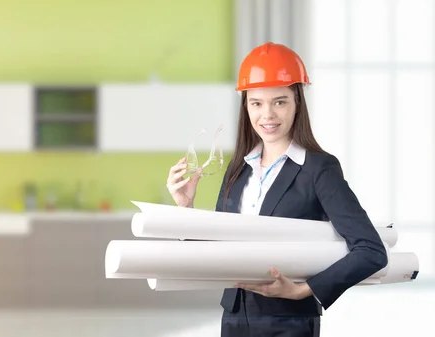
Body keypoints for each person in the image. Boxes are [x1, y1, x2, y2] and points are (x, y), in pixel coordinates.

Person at [165, 42, 388, 337]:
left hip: (289, 321)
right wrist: (186, 208)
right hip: (234, 316)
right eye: (256, 103)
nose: (267, 114)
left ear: (297, 103)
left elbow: (371, 251)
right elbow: (215, 249)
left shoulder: (319, 169)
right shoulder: (237, 168)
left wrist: (303, 290)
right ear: (246, 106)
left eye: (279, 101)